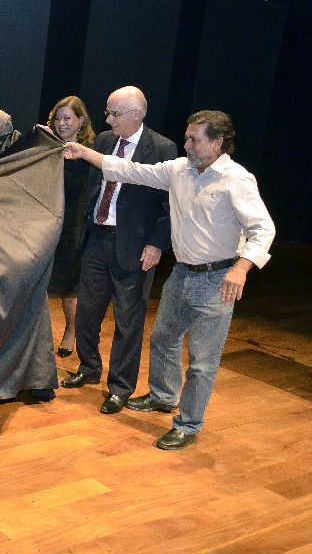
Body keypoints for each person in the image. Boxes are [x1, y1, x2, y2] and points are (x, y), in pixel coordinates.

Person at [65, 110, 274, 448]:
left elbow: (263, 229)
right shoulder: (179, 170)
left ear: (218, 143)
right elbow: (130, 170)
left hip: (217, 280)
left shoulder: (236, 179)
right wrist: (84, 151)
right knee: (163, 339)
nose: (186, 145)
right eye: (187, 138)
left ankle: (188, 425)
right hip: (181, 274)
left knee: (202, 362)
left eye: (194, 140)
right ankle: (163, 396)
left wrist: (241, 268)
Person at [60, 86, 177, 416]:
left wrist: (157, 243)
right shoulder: (103, 141)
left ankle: (121, 387)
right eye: (107, 113)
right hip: (96, 239)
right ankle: (89, 367)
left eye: (114, 114)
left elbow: (170, 204)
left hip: (135, 247)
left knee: (128, 321)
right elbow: (89, 182)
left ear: (137, 113)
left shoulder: (162, 148)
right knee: (87, 312)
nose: (108, 120)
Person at [46, 96, 96, 357]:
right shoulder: (48, 147)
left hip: (75, 225)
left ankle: (71, 330)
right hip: (46, 222)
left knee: (69, 284)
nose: (62, 123)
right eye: (58, 118)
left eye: (68, 118)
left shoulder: (91, 152)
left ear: (81, 120)